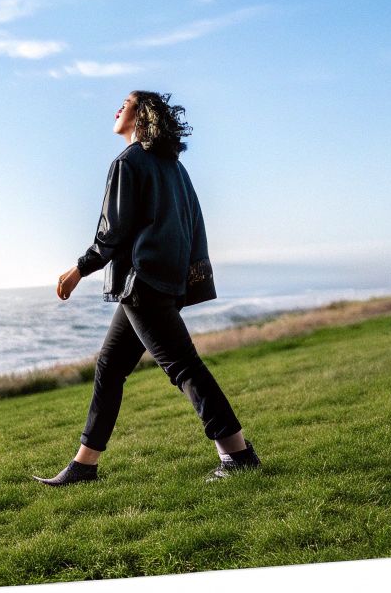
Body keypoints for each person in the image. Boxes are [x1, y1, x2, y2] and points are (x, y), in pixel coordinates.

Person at [37, 90, 261, 486]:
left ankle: (238, 455)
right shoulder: (175, 167)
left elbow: (113, 233)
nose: (116, 108)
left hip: (142, 283)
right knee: (110, 366)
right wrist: (186, 282)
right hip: (159, 283)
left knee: (184, 367)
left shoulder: (129, 162)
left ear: (142, 114)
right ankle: (84, 465)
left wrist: (77, 270)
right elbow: (194, 228)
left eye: (124, 103)